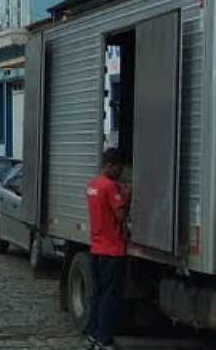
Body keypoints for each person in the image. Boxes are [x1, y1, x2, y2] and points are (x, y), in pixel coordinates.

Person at [85, 148, 131, 350]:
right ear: (110, 165)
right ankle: (104, 340)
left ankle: (93, 333)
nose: (122, 173)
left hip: (96, 248)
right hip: (112, 250)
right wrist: (127, 197)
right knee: (109, 297)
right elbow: (120, 216)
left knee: (98, 293)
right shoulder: (111, 187)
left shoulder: (92, 185)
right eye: (120, 168)